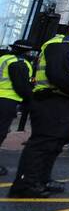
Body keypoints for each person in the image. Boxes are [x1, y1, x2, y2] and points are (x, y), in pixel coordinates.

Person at [10, 10, 69, 198]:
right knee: (43, 144)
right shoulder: (62, 43)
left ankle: (41, 179)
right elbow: (58, 74)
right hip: (53, 100)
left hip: (67, 101)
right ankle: (26, 184)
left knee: (54, 144)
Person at [0, 38, 36, 178]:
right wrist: (30, 99)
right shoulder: (19, 63)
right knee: (1, 131)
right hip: (7, 99)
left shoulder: (4, 58)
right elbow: (21, 86)